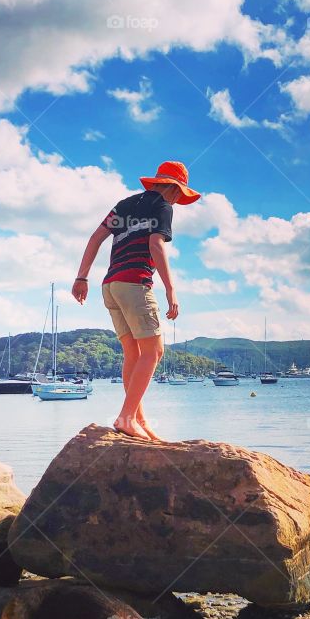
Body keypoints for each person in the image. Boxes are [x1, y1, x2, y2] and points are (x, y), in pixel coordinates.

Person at [72, 160, 200, 441]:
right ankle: (127, 417)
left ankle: (137, 420)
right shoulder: (163, 206)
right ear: (175, 190)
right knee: (154, 351)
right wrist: (170, 289)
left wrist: (81, 278)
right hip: (134, 283)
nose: (178, 201)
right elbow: (156, 245)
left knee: (134, 353)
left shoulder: (124, 205)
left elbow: (95, 238)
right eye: (179, 195)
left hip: (111, 285)